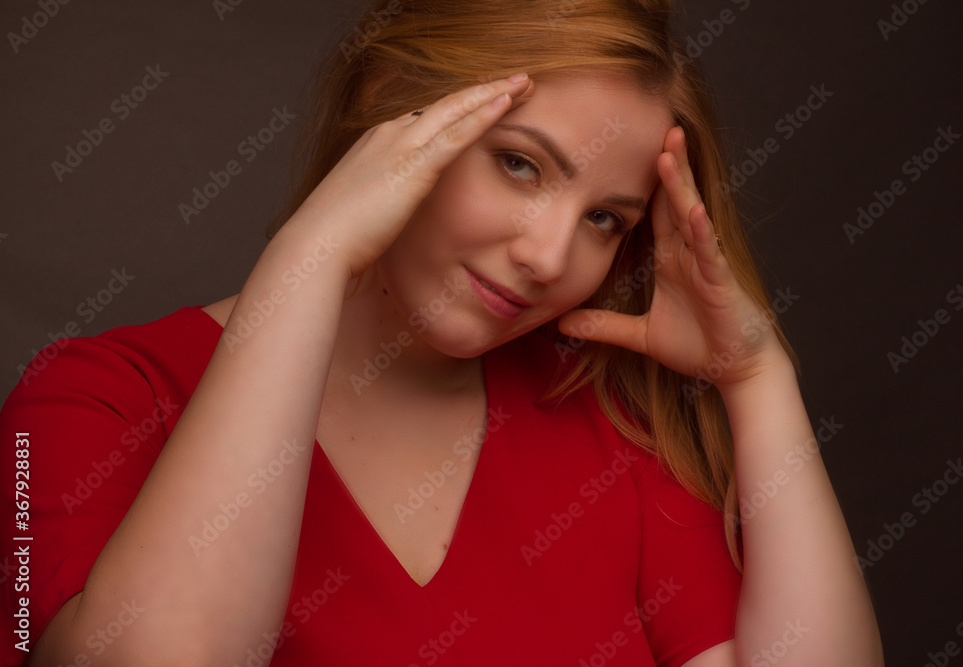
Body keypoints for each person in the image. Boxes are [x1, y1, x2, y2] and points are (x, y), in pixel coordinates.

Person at [1, 0, 883, 664]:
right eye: (519, 163)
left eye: (605, 219)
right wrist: (312, 256)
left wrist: (756, 378)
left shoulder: (615, 432)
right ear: (392, 110)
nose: (548, 254)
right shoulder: (88, 398)